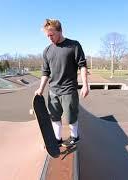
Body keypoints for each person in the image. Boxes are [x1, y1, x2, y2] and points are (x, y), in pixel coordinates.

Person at [35, 19, 89, 147]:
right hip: (53, 90)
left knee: (71, 117)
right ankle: (57, 139)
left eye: (51, 35)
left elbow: (82, 66)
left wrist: (85, 85)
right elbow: (45, 72)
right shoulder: (47, 51)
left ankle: (75, 137)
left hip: (69, 89)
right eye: (47, 36)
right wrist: (41, 89)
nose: (49, 38)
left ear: (60, 31)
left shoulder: (74, 45)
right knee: (54, 117)